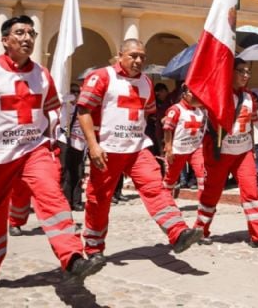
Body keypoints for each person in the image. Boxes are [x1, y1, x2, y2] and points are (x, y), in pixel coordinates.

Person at [0, 16, 102, 293]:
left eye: (31, 33)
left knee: (53, 197)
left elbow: (49, 111)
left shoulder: (42, 74)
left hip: (34, 149)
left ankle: (72, 258)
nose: (27, 38)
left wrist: (49, 143)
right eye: (20, 32)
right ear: (5, 40)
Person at [77, 38, 203, 261]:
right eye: (133, 55)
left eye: (142, 57)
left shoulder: (146, 82)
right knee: (99, 199)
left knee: (156, 187)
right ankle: (94, 248)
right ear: (120, 55)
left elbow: (147, 113)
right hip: (107, 149)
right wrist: (94, 145)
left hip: (137, 148)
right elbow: (83, 110)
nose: (138, 60)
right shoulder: (102, 77)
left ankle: (178, 232)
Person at [194, 59, 258, 249]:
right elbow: (193, 100)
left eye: (248, 72)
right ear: (229, 72)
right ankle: (200, 230)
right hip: (220, 153)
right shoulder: (217, 94)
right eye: (241, 71)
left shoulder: (249, 97)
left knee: (252, 193)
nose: (246, 76)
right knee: (211, 194)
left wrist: (252, 149)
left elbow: (250, 125)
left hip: (243, 152)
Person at [161, 84, 206, 199]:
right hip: (178, 149)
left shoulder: (200, 110)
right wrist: (169, 148)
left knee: (203, 175)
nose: (195, 96)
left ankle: (204, 202)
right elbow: (167, 129)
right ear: (184, 95)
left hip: (196, 148)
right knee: (170, 179)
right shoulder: (175, 109)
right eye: (192, 93)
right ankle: (165, 202)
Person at [59, 83, 87, 212]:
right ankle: (66, 201)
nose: (76, 95)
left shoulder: (81, 107)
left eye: (78, 92)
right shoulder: (66, 106)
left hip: (80, 143)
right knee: (66, 173)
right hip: (66, 141)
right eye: (73, 92)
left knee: (78, 172)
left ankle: (77, 201)